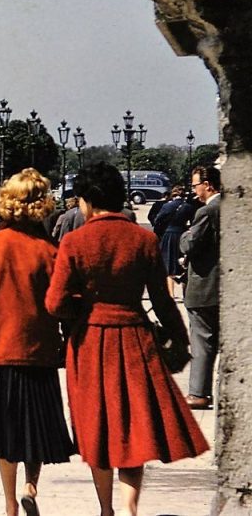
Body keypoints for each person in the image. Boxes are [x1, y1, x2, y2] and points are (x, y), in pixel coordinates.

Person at [46, 162, 208, 516]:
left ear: (87, 201)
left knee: (96, 426)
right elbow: (163, 302)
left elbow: (55, 303)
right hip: (135, 338)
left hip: (90, 342)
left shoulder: (74, 242)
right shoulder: (143, 239)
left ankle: (106, 509)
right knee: (131, 428)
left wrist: (80, 308)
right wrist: (179, 343)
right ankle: (130, 506)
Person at [0, 169, 75, 516]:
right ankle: (31, 486)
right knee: (34, 428)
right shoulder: (49, 251)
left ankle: (10, 506)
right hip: (39, 353)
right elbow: (62, 304)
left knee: (5, 434)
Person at [179, 165, 221, 410]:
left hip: (204, 287)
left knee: (202, 341)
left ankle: (198, 392)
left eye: (196, 185)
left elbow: (190, 244)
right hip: (222, 286)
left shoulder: (207, 211)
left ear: (208, 184)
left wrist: (185, 234)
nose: (194, 190)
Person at [152, 185, 197, 299]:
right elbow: (193, 222)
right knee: (183, 265)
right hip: (182, 234)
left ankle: (171, 294)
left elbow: (157, 220)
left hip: (169, 234)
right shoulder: (188, 207)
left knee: (168, 265)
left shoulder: (167, 206)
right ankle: (184, 294)